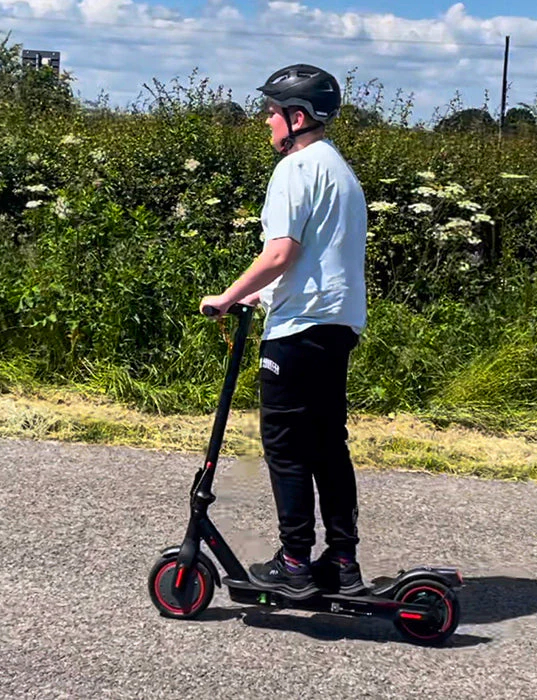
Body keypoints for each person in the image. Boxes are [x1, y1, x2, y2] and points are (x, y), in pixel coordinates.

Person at [199, 64, 368, 597]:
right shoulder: (339, 170)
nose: (267, 122)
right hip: (336, 325)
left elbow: (282, 252)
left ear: (297, 117)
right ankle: (341, 561)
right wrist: (263, 294)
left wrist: (225, 297)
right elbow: (317, 256)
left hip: (299, 332)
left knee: (286, 446)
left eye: (272, 113)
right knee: (326, 446)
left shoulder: (295, 169)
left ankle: (295, 562)